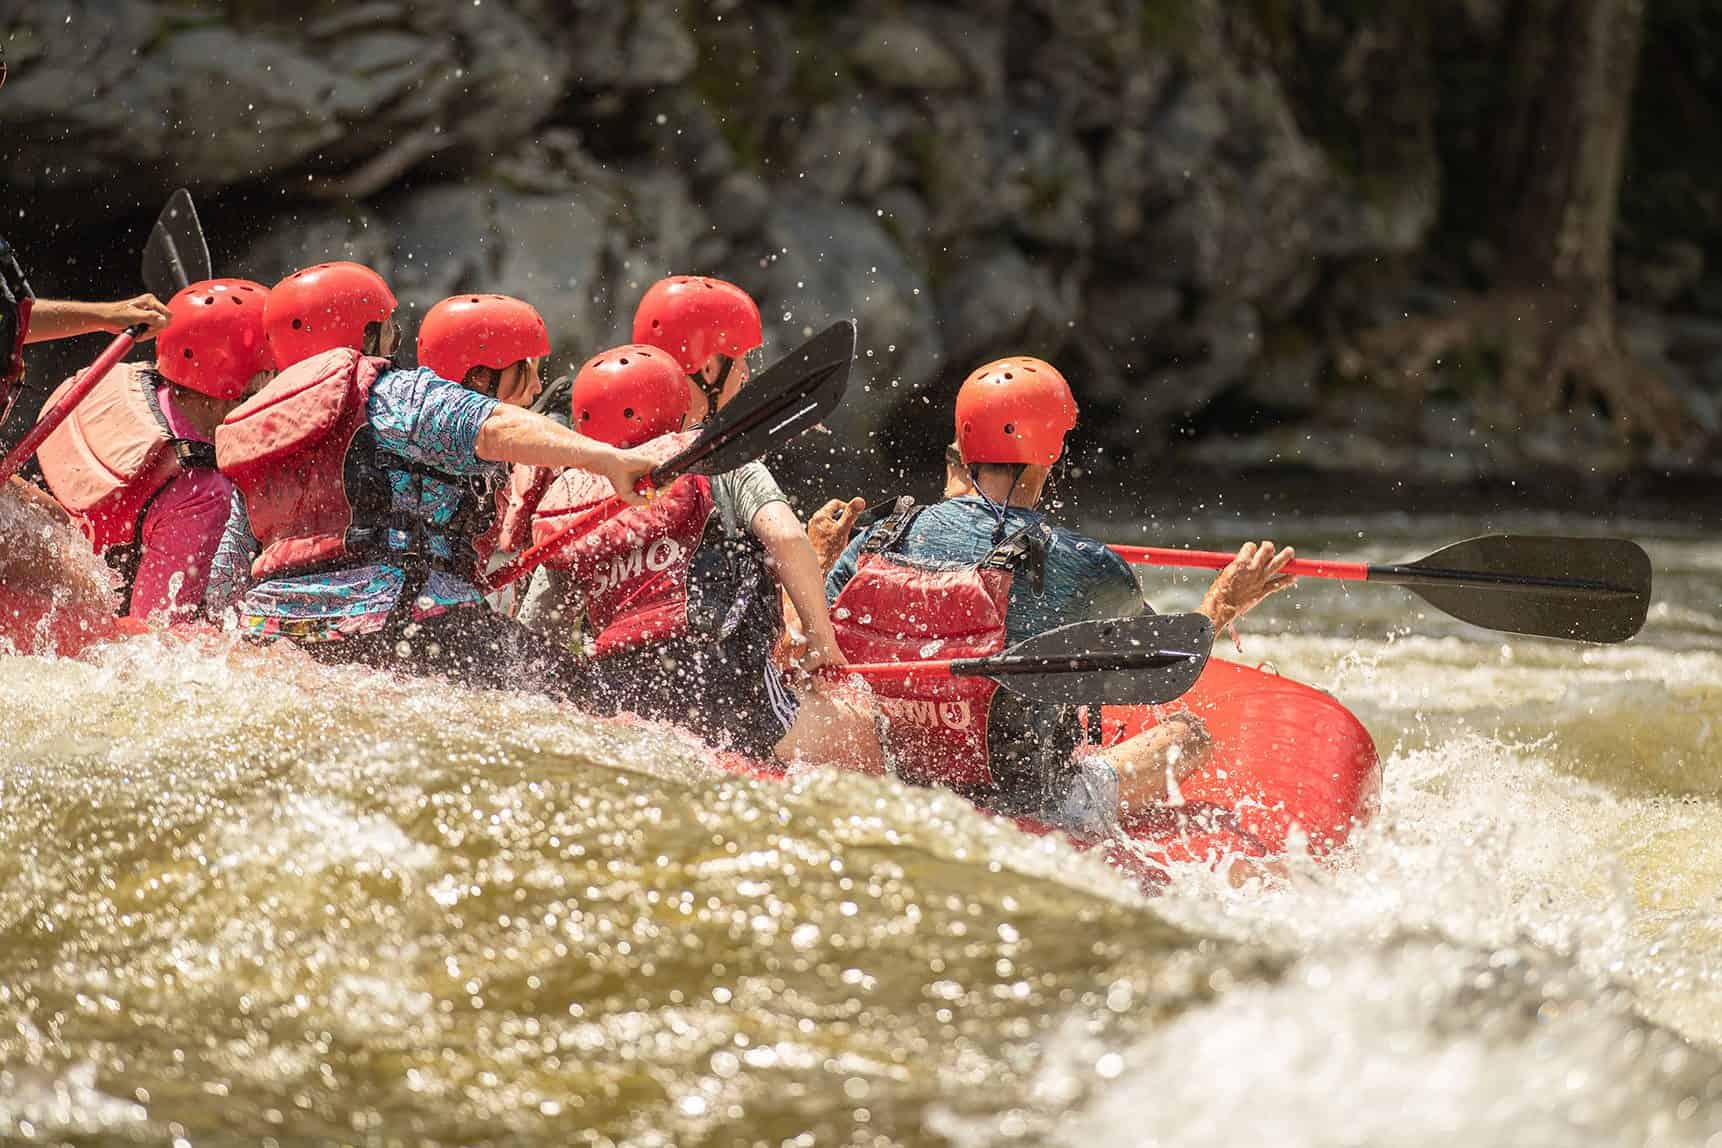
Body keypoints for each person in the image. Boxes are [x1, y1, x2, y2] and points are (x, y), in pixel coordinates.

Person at [823, 356, 1295, 837]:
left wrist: (820, 557)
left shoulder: (879, 537)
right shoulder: (1083, 564)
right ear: (1052, 451)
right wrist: (1222, 603)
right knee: (1188, 735)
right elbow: (1163, 661)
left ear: (963, 447)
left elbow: (811, 640)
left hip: (896, 775)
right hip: (1033, 802)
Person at [203, 264, 657, 698]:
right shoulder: (388, 393)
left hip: (274, 637)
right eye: (388, 330)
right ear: (363, 335)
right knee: (588, 695)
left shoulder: (253, 431)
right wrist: (609, 460)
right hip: (404, 622)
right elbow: (493, 426)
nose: (394, 343)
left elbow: (223, 580)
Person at [520, 344, 882, 768]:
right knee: (855, 721)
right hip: (721, 684)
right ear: (678, 405)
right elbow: (787, 538)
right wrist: (823, 643)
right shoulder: (717, 458)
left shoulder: (569, 503)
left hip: (616, 691)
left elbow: (537, 634)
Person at [32, 279, 274, 620]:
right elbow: (157, 628)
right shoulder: (203, 489)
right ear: (244, 383)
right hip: (70, 616)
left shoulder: (119, 382)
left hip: (34, 560)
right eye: (271, 375)